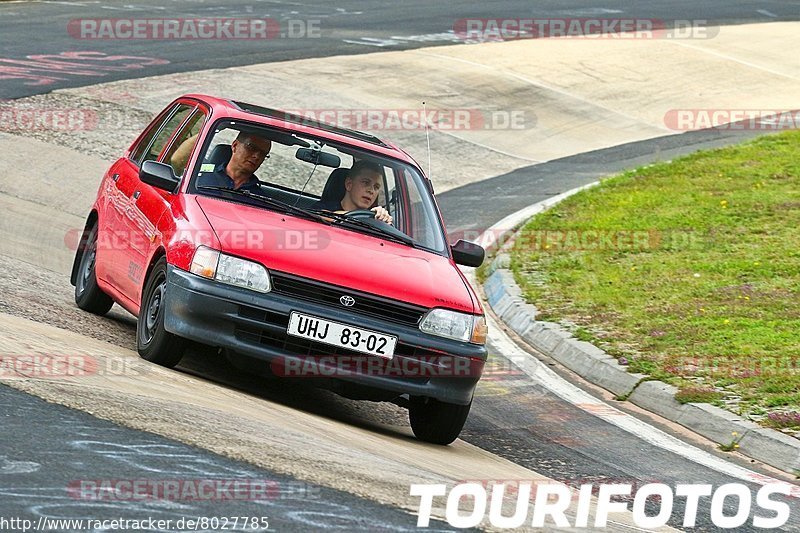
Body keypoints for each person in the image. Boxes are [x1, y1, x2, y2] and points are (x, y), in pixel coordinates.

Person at [313, 160, 393, 224]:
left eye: (376, 187)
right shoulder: (321, 207)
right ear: (349, 184)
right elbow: (320, 216)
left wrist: (382, 218)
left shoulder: (374, 217)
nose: (371, 191)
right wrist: (362, 217)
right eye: (366, 183)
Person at [196, 132, 272, 192]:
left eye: (263, 154)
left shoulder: (260, 199)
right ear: (235, 145)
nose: (257, 156)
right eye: (251, 147)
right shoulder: (199, 176)